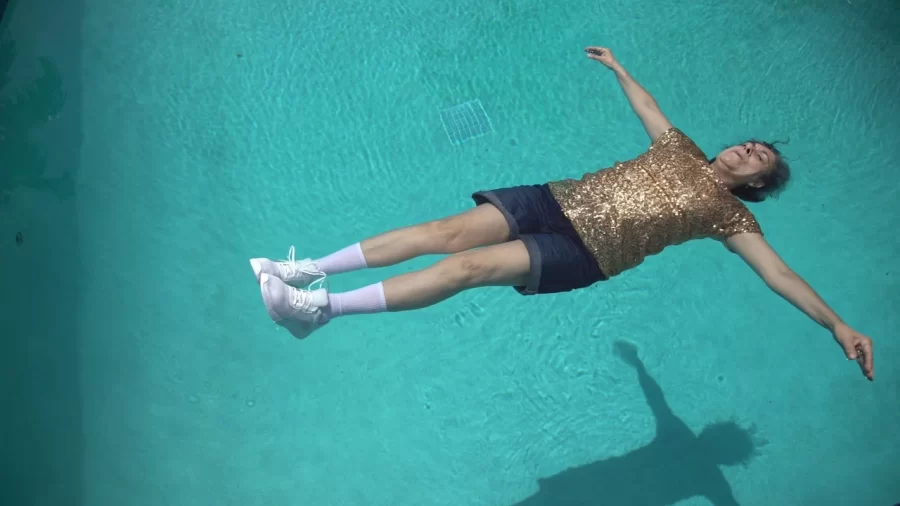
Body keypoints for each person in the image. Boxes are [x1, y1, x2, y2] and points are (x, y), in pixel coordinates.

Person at [249, 46, 875, 381]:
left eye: (760, 158)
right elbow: (650, 106)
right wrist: (619, 68)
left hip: (588, 252)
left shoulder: (732, 220)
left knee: (466, 267)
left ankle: (321, 311)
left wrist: (837, 325)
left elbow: (780, 276)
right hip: (556, 198)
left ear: (756, 184)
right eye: (752, 141)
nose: (750, 148)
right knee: (441, 231)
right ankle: (306, 270)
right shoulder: (680, 146)